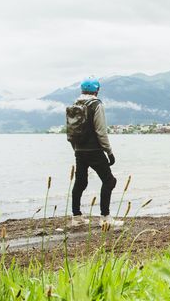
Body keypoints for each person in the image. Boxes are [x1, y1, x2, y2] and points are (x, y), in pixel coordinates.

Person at [67, 77, 123, 228]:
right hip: (95, 150)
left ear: (82, 90)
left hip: (79, 150)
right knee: (109, 181)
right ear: (97, 90)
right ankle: (105, 217)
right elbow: (101, 131)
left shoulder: (75, 105)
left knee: (80, 182)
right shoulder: (96, 105)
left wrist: (76, 150)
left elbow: (71, 132)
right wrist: (109, 152)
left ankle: (76, 217)